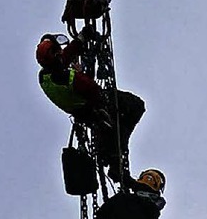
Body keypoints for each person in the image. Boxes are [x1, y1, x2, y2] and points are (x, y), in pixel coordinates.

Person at [35, 33, 145, 170]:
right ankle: (117, 151)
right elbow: (92, 89)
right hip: (95, 106)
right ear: (55, 55)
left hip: (81, 113)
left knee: (111, 128)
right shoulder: (66, 76)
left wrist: (81, 39)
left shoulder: (44, 76)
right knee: (136, 106)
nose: (62, 52)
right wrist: (80, 72)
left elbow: (64, 58)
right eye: (58, 51)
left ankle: (110, 149)